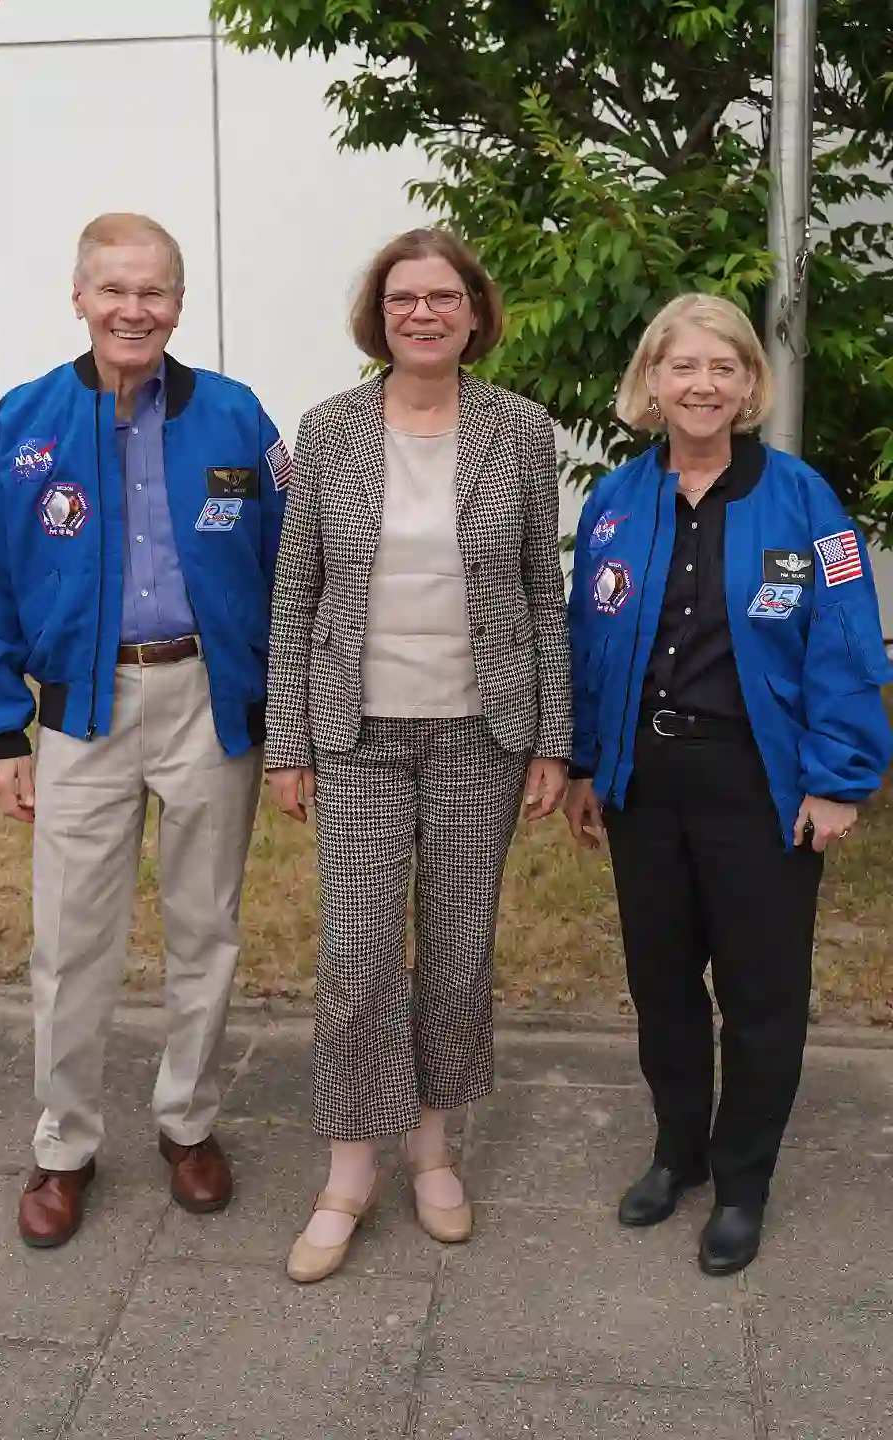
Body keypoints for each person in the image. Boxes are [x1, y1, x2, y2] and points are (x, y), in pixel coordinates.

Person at [0, 213, 288, 1248]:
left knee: (206, 929)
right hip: (82, 711)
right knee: (70, 941)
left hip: (205, 704)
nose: (134, 309)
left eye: (154, 292)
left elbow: (290, 571)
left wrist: (286, 715)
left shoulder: (236, 418)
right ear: (81, 296)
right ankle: (64, 1144)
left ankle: (187, 1123)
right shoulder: (26, 422)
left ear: (178, 304)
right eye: (115, 290)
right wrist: (6, 730)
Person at [265, 227, 570, 1283]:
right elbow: (295, 592)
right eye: (404, 299)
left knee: (454, 951)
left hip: (480, 733)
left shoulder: (522, 432)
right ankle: (351, 1170)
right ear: (379, 315)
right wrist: (289, 742)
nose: (424, 314)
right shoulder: (330, 429)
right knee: (354, 956)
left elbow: (544, 595)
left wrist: (553, 742)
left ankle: (434, 1152)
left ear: (475, 313)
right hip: (357, 736)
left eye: (444, 297)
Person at [564, 293, 891, 1276]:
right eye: (683, 367)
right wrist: (585, 761)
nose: (702, 384)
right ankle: (680, 1152)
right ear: (651, 385)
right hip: (644, 783)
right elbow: (588, 646)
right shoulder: (615, 502)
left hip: (760, 783)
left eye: (723, 367)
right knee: (661, 984)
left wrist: (838, 781)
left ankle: (742, 1182)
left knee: (760, 997)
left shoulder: (802, 502)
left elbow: (844, 645)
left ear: (750, 384)